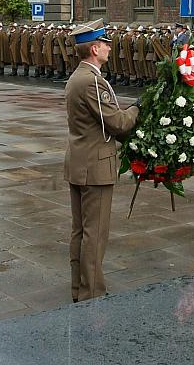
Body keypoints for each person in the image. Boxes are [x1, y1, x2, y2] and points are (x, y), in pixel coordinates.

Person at [64, 19, 140, 302]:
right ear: (95, 48)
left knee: (80, 231)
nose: (110, 47)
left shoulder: (77, 77)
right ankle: (91, 293)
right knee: (94, 234)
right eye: (106, 43)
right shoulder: (92, 81)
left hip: (79, 162)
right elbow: (117, 123)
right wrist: (137, 108)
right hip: (95, 167)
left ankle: (79, 288)